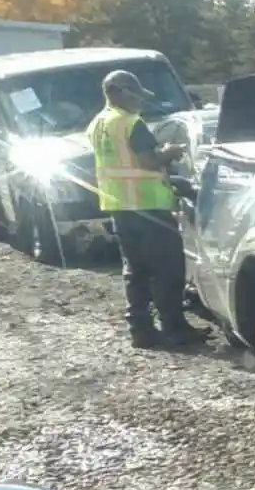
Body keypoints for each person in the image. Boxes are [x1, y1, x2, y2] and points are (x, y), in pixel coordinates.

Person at [86, 70, 210, 349]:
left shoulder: (98, 123)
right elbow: (147, 161)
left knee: (136, 270)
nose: (140, 101)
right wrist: (171, 151)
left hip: (120, 207)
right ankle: (175, 329)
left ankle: (140, 330)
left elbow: (122, 161)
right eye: (136, 95)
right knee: (168, 269)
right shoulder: (131, 123)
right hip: (148, 207)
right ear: (119, 92)